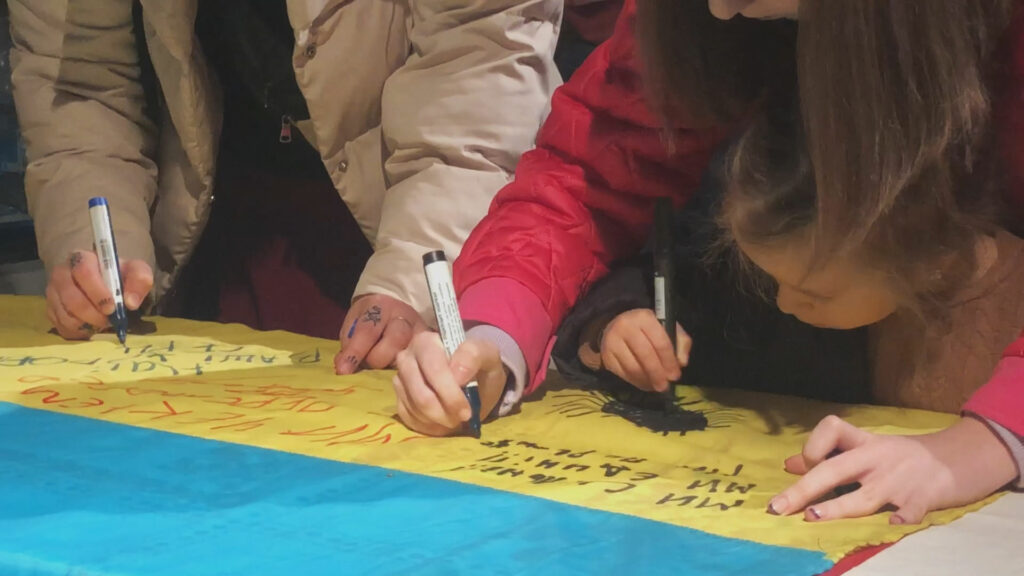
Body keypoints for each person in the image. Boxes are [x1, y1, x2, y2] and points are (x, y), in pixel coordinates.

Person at [391, 0, 1024, 523]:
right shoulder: (696, 17)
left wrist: (986, 442)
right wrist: (492, 335)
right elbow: (584, 176)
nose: (719, 8)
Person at [9, 0, 562, 372]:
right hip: (209, 225)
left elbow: (480, 72)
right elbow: (80, 82)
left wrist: (411, 276)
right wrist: (98, 257)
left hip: (410, 212)